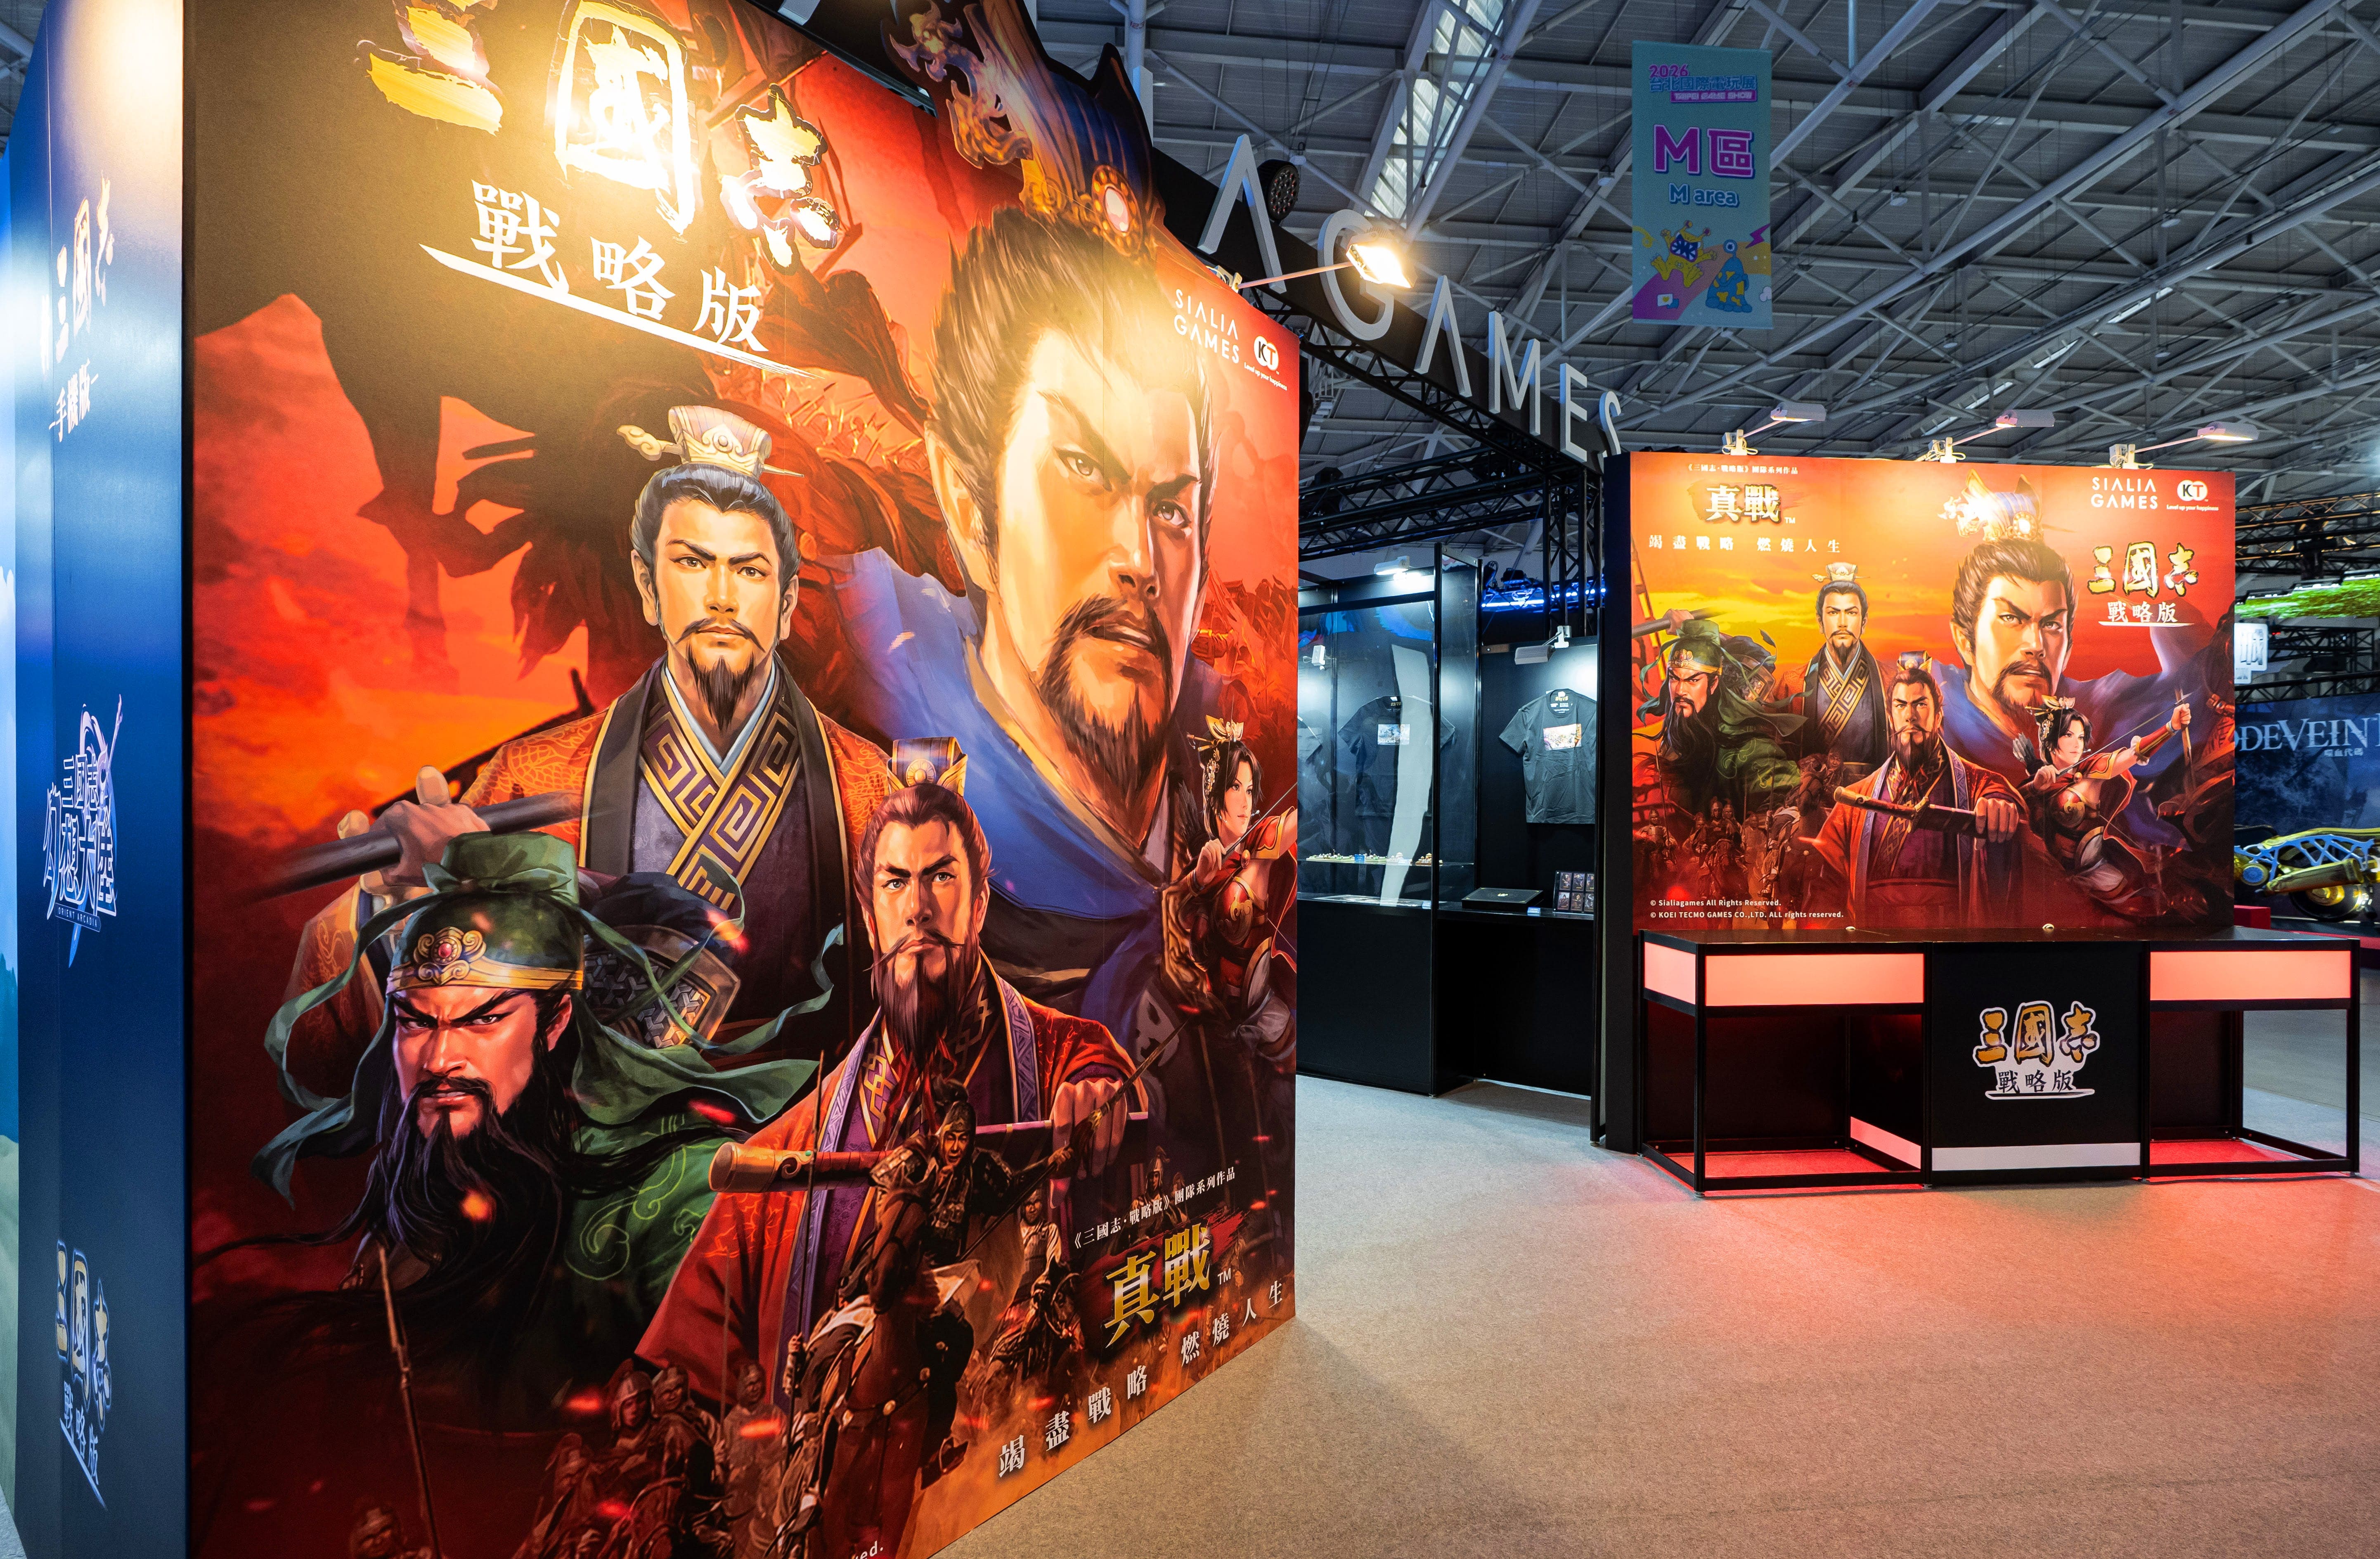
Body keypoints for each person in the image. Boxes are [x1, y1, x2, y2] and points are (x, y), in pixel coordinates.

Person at [279, 405, 897, 1102]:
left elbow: (938, 1019)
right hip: (578, 1156)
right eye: (692, 563)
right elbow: (324, 1058)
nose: (722, 597)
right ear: (648, 587)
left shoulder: (867, 788)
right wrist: (404, 907)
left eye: (749, 570)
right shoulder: (533, 778)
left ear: (786, 602)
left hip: (809, 1154)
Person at [817, 198, 1234, 1173]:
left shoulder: (1214, 770)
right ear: (969, 506)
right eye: (1083, 466)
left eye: (1171, 509)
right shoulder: (875, 764)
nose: (1140, 559)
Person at [251, 832, 808, 1426]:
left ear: (555, 1020)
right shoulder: (421, 1177)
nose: (440, 1058)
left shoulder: (678, 1188)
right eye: (416, 1022)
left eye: (483, 1020)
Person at [636, 777, 1129, 1409]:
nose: (917, 907)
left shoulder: (1062, 1058)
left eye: (941, 877)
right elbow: (686, 1374)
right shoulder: (789, 1154)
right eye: (895, 883)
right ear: (871, 921)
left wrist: (1099, 1100)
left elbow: (1104, 1080)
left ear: (979, 904)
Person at [1928, 537, 2207, 843]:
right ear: (1965, 641)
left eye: (2052, 625)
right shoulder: (1931, 723)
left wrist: (2173, 724)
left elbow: (2179, 696)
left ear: (2068, 650)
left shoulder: (2101, 707)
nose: (2036, 645)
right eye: (2011, 619)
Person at [1789, 657, 2028, 930]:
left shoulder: (1976, 786)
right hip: (1874, 943)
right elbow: (1825, 890)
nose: (1910, 716)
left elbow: (2001, 796)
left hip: (1952, 940)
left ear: (1939, 717)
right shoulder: (1855, 802)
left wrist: (2001, 806)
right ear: (1891, 719)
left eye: (1921, 704)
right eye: (1901, 706)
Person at [2022, 698, 2192, 918]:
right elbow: (2019, 808)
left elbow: (2133, 754)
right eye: (2069, 736)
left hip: (2097, 875)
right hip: (2052, 877)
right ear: (2052, 740)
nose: (2077, 745)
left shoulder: (2091, 772)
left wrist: (2171, 728)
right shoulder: (2040, 781)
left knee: (2141, 911)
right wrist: (2035, 786)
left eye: (2081, 737)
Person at [1644, 620, 1803, 825]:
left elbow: (1787, 799)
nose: (1680, 690)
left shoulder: (1750, 748)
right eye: (1675, 679)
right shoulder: (1675, 740)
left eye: (1693, 680)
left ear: (1713, 684)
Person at [1799, 563, 1888, 775]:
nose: (1842, 623)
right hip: (1813, 791)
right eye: (1833, 613)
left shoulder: (1890, 682)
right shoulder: (1793, 684)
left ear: (1864, 622)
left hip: (1872, 790)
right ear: (1820, 622)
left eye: (1851, 613)